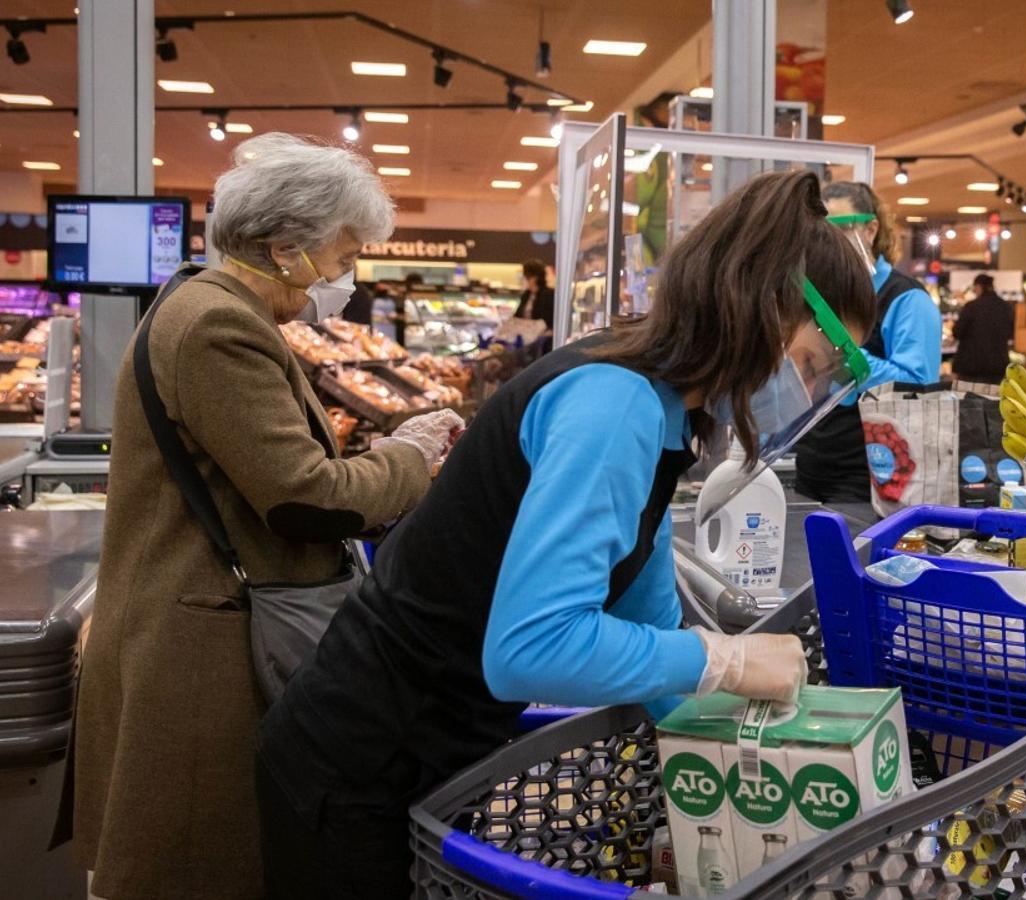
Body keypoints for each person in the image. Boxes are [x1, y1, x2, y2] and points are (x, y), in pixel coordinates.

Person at [254, 170, 878, 899]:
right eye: (811, 365)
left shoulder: (664, 412)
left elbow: (647, 619)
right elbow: (531, 647)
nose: (807, 392)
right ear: (760, 305)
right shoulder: (616, 404)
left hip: (424, 755)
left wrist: (754, 748)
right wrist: (727, 660)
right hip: (359, 764)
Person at [68, 133, 462, 900]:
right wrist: (410, 458)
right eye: (344, 256)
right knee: (201, 865)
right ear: (286, 250)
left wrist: (384, 454)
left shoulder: (203, 304)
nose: (345, 278)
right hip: (202, 646)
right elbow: (303, 497)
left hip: (198, 624)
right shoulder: (220, 327)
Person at [793, 181, 942, 502]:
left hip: (873, 478)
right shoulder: (821, 297)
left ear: (870, 230)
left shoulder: (907, 299)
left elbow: (918, 387)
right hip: (811, 465)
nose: (826, 243)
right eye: (818, 233)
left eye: (838, 229)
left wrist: (842, 353)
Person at [951, 273, 1014, 384]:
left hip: (971, 366)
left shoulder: (971, 307)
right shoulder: (1006, 307)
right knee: (994, 395)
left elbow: (957, 332)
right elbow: (1010, 333)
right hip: (997, 366)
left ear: (979, 287)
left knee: (968, 394)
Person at [513, 257, 555, 330]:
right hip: (525, 334)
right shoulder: (526, 295)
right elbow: (517, 316)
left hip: (542, 335)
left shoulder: (549, 295)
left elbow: (548, 321)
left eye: (526, 276)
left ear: (535, 277)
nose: (523, 279)